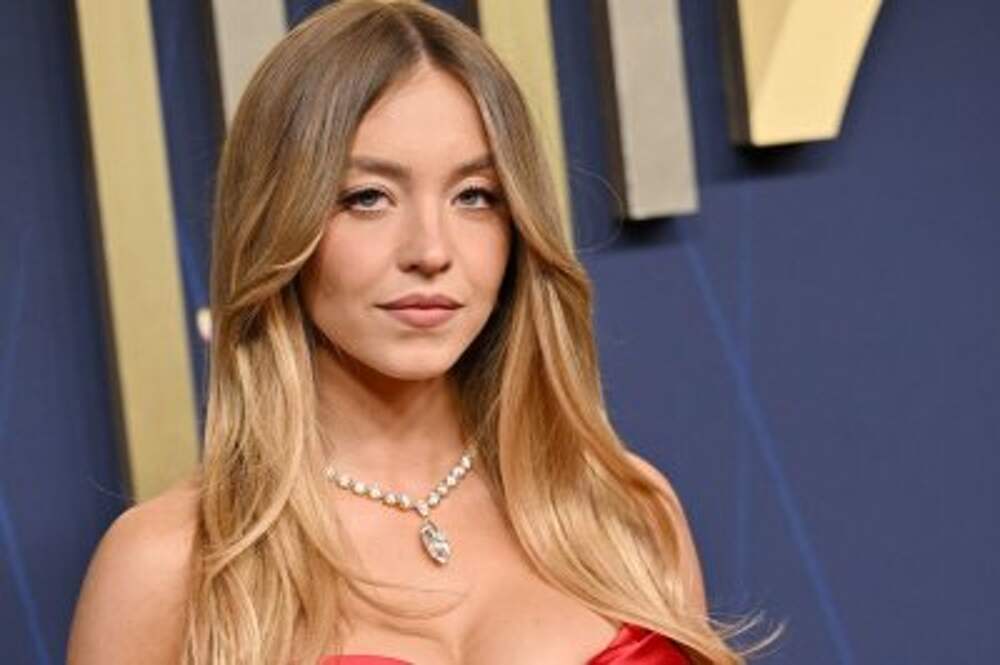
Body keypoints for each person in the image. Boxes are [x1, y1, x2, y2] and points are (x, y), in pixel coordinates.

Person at [67, 1, 765, 663]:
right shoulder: (167, 566)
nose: (431, 250)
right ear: (280, 226)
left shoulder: (626, 509)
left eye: (474, 196)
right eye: (367, 197)